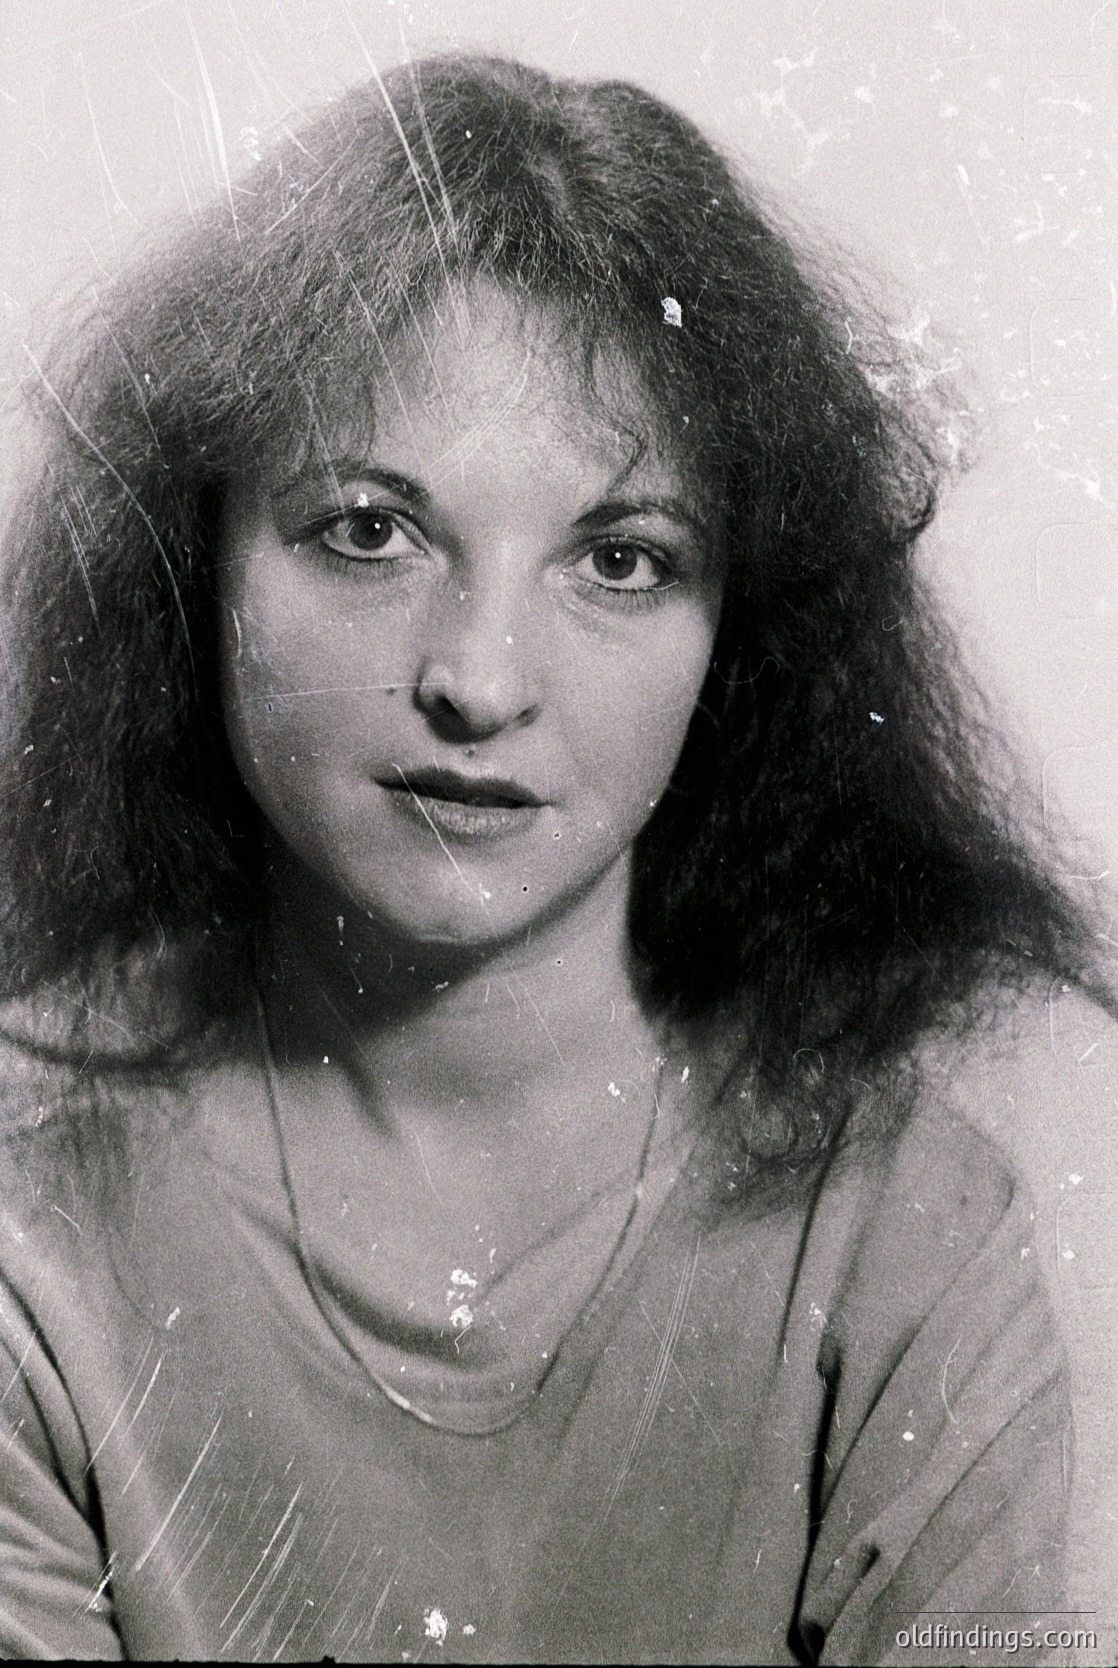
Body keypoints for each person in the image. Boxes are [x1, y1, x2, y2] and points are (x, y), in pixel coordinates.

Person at [0, 52, 1106, 1665]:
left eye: (618, 559)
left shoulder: (901, 1226)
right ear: (195, 560)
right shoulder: (33, 1227)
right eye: (369, 529)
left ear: (742, 633)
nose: (480, 676)